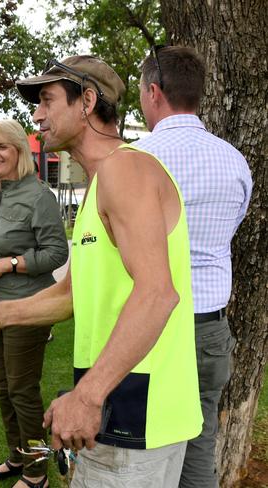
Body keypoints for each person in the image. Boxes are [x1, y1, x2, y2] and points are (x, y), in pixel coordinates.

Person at [0, 55, 203, 487]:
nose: (36, 114)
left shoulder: (125, 170)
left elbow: (157, 294)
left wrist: (88, 395)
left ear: (87, 101)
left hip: (135, 409)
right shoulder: (100, 183)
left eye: (47, 100)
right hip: (118, 403)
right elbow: (71, 294)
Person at [134, 46, 252, 488]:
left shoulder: (138, 161)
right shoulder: (234, 161)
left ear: (153, 92)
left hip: (150, 324)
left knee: (142, 444)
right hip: (208, 326)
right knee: (200, 442)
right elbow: (230, 230)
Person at [0, 119, 68, 488]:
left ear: (19, 153)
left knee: (23, 391)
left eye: (2, 147)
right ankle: (16, 457)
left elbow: (56, 252)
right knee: (3, 388)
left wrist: (8, 264)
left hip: (28, 307)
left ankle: (36, 472)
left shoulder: (39, 196)